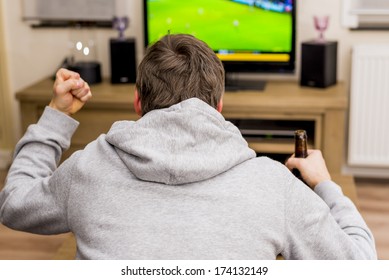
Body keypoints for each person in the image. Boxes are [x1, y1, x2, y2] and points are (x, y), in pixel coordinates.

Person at [0, 34, 376, 260]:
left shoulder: (89, 168)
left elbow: (14, 204)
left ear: (137, 101)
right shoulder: (274, 185)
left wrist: (55, 115)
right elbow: (359, 264)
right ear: (219, 105)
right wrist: (325, 183)